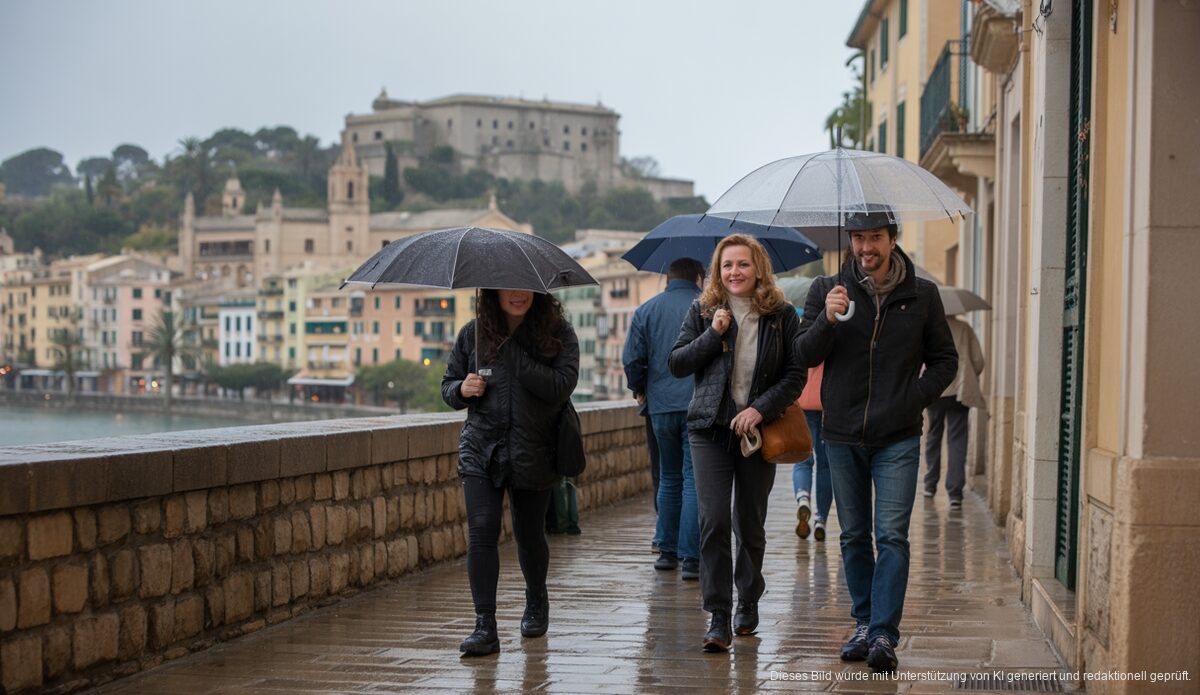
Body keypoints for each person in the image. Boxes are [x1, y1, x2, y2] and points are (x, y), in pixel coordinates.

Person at [797, 211, 957, 673]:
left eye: (875, 237)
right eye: (859, 238)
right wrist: (827, 320)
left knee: (891, 536)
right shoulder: (826, 290)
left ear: (892, 239)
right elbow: (803, 354)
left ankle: (884, 633)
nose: (866, 247)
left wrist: (913, 399)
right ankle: (864, 623)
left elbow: (945, 360)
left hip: (898, 437)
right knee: (853, 535)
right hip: (841, 435)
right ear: (850, 241)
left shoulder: (922, 295)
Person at [668, 234, 806, 653]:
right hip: (709, 429)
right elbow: (677, 363)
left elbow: (795, 375)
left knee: (749, 521)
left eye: (743, 264)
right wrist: (713, 334)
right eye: (727, 265)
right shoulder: (703, 310)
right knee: (713, 520)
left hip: (757, 431)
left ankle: (747, 599)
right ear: (717, 270)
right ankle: (717, 613)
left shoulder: (781, 315)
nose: (734, 272)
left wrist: (760, 409)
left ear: (758, 268)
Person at [441, 288, 580, 657]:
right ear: (493, 292)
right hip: (481, 448)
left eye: (524, 287)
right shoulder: (473, 334)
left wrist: (513, 353)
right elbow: (448, 385)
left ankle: (536, 598)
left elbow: (560, 387)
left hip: (533, 449)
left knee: (529, 534)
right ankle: (484, 626)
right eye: (508, 287)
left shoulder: (558, 333)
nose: (518, 294)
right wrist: (461, 389)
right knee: (482, 530)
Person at [623, 257, 705, 580]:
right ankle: (691, 558)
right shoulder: (708, 307)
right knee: (693, 478)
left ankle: (667, 552)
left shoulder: (646, 310)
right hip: (698, 405)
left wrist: (639, 388)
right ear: (699, 278)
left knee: (669, 477)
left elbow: (632, 359)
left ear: (668, 279)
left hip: (660, 406)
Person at [923, 315, 986, 508]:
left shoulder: (929, 325)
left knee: (933, 436)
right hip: (960, 389)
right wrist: (969, 375)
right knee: (957, 438)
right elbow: (978, 361)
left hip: (936, 389)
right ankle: (955, 492)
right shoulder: (964, 328)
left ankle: (930, 484)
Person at [793, 362, 833, 541]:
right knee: (825, 465)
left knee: (803, 460)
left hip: (803, 398)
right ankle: (821, 519)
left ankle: (803, 497)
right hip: (828, 400)